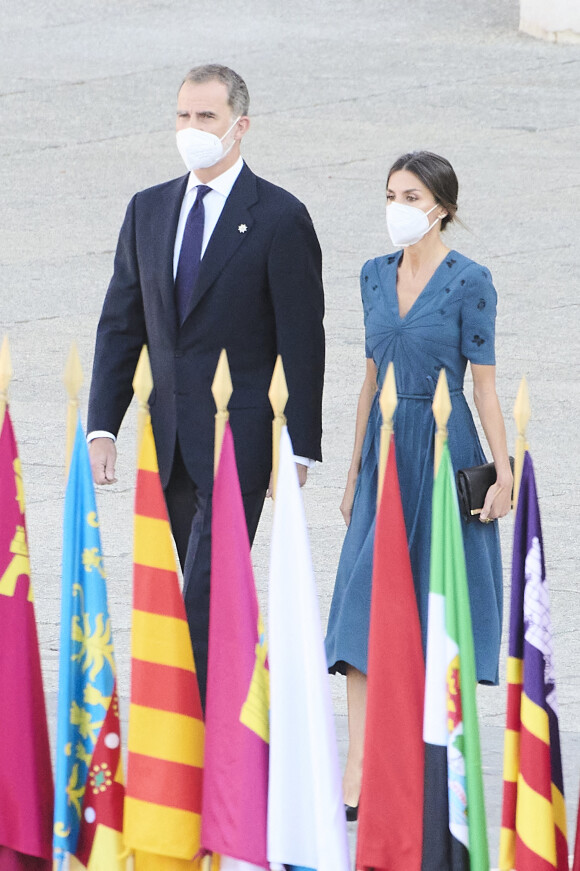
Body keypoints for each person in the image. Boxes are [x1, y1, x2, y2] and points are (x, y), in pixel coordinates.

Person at [87, 64, 325, 707]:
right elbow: (122, 321)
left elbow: (303, 338)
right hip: (169, 438)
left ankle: (194, 728)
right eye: (183, 116)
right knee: (208, 586)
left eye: (207, 117)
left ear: (239, 126)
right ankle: (235, 721)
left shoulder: (279, 216)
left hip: (241, 438)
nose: (191, 129)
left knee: (207, 587)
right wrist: (103, 424)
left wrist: (298, 447)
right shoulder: (149, 209)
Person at [324, 151, 512, 816]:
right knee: (359, 608)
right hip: (383, 452)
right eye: (390, 193)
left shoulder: (472, 282)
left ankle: (428, 763)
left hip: (442, 445)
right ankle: (357, 763)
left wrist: (505, 468)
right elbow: (369, 377)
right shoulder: (373, 276)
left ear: (442, 207)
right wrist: (351, 471)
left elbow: (484, 387)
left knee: (435, 608)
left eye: (410, 195)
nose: (397, 206)